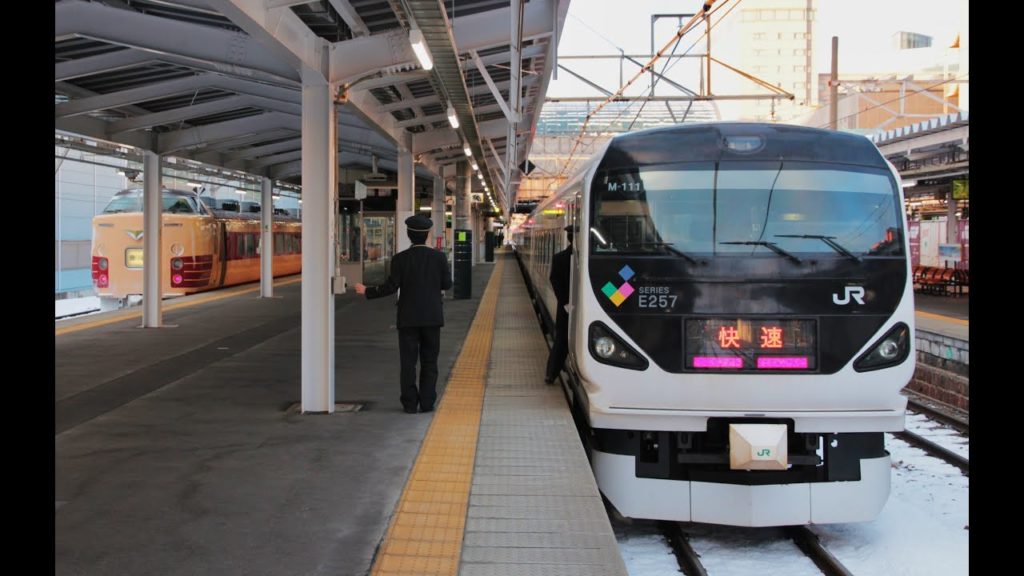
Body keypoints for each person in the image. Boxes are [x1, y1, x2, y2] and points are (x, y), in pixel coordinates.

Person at [355, 215, 453, 413]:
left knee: (408, 363)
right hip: (432, 318)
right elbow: (447, 285)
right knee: (429, 362)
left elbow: (391, 287)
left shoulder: (400, 259)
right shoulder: (439, 258)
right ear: (427, 235)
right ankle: (427, 403)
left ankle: (409, 404)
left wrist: (367, 291)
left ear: (409, 235)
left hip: (408, 318)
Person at [545, 224, 574, 384]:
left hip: (565, 309)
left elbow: (554, 280)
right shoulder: (589, 260)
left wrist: (565, 302)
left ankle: (551, 374)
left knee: (561, 342)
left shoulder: (559, 258)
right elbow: (606, 288)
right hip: (582, 309)